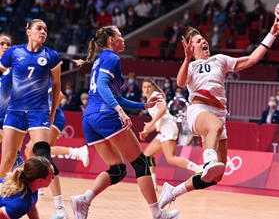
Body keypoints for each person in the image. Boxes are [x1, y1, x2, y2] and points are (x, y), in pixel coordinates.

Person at [157, 17, 279, 209]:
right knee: (214, 130)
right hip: (198, 110)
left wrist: (272, 34)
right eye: (198, 41)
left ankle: (172, 192)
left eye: (203, 39)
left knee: (215, 177)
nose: (203, 41)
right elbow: (181, 83)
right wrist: (185, 58)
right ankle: (208, 161)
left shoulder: (220, 60)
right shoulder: (191, 66)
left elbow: (250, 59)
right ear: (191, 48)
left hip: (218, 114)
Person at [70, 25, 180, 219]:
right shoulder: (111, 57)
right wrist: (119, 111)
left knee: (118, 169)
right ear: (111, 40)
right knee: (140, 163)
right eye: (120, 36)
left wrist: (143, 106)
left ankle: (84, 199)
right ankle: (157, 213)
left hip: (89, 118)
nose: (123, 39)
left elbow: (115, 95)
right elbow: (104, 87)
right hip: (106, 115)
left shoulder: (99, 60)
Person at [0, 19, 69, 218]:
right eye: (39, 28)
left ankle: (58, 206)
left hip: (39, 112)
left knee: (42, 157)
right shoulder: (14, 53)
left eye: (46, 29)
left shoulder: (51, 56)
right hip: (15, 111)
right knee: (7, 161)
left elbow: (57, 85)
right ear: (28, 32)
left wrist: (53, 110)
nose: (43, 32)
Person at [139, 78, 202, 190]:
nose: (146, 89)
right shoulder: (148, 100)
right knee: (147, 155)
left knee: (171, 158)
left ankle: (198, 169)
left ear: (153, 86)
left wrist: (150, 123)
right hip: (162, 130)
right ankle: (153, 185)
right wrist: (147, 131)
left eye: (149, 86)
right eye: (144, 87)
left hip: (168, 129)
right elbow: (158, 120)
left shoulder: (156, 95)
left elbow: (162, 110)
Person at [0, 33, 24, 170]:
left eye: (8, 45)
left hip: (10, 119)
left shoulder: (16, 68)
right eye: (2, 44)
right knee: (14, 160)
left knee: (13, 159)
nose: (5, 47)